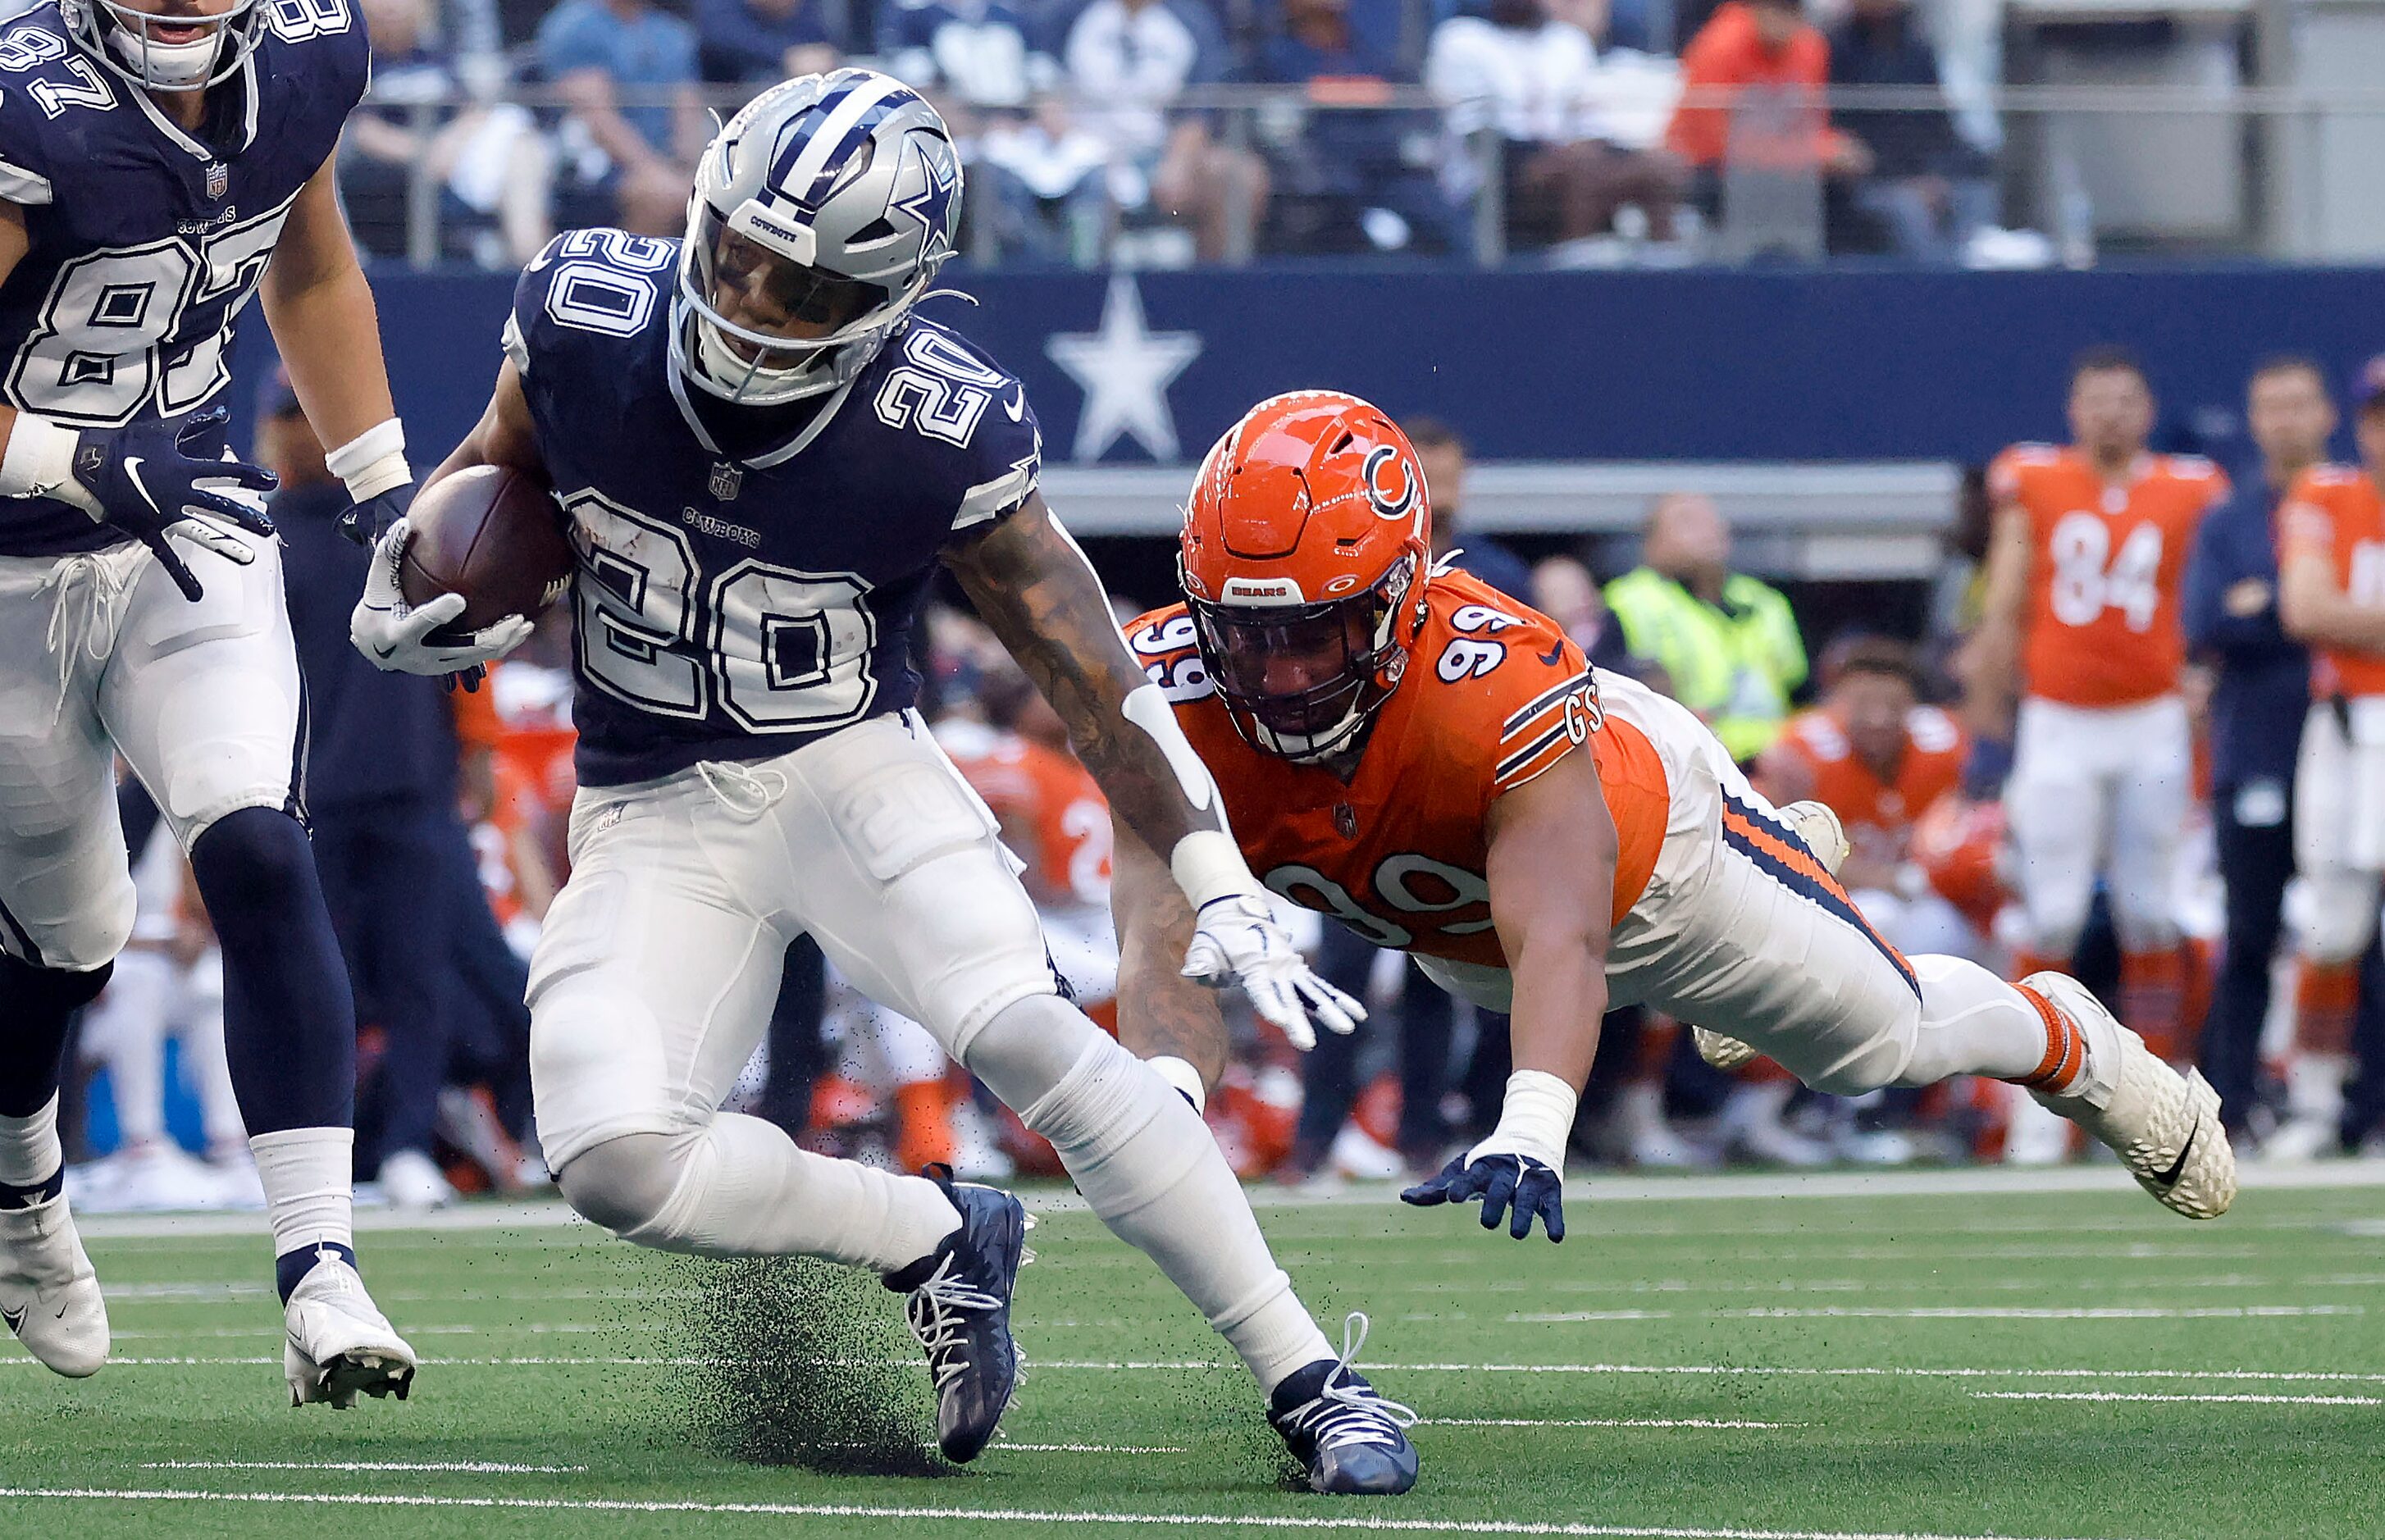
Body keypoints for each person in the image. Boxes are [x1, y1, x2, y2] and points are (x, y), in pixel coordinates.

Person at [351, 71, 1416, 1492]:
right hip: (652, 797)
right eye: (732, 252)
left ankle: (1310, 1378)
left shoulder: (937, 422)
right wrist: (414, 576)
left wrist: (1214, 870)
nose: (746, 298)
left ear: (887, 294)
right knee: (611, 1156)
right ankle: (929, 1234)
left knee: (1026, 1034)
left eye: (798, 287)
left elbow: (1091, 677)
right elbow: (492, 476)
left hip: (848, 769)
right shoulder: (584, 316)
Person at [1113, 391, 2235, 1256]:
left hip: (1662, 870)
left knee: (1878, 1046)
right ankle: (1797, 863)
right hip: (1473, 942)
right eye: (1248, 632)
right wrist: (1166, 1092)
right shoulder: (1165, 692)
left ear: (1403, 598)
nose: (1282, 671)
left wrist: (1534, 1119)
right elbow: (1159, 931)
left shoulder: (1485, 688)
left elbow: (1566, 936)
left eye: (1322, 630)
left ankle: (2078, 1044)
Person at [0, 0, 422, 1402]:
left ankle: (320, 1264)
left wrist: (380, 490)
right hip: (12, 570)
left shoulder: (308, 54)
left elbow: (310, 267)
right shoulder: (23, 100)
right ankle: (23, 1189)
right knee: (66, 944)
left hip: (190, 523)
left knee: (251, 835)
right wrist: (78, 461)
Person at [266, 376, 513, 1212]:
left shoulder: (398, 519)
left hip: (412, 784)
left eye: (308, 415)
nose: (298, 437)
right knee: (319, 985)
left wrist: (475, 748)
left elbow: (461, 625)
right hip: (310, 795)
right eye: (285, 419)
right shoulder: (259, 538)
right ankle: (321, 1152)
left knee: (421, 978)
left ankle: (410, 1143)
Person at [1971, 349, 2229, 1068]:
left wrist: (2203, 673)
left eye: (2125, 401)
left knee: (2151, 908)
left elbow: (2202, 596)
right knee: (2051, 909)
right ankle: (2032, 1081)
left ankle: (2160, 1070)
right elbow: (2008, 590)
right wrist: (1989, 686)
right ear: (2073, 411)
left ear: (2148, 412)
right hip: (2060, 716)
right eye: (2097, 401)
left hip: (2153, 718)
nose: (2111, 415)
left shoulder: (2192, 487)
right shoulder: (2035, 478)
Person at [2181, 357, 2333, 1137]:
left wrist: (2268, 600)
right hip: (2259, 746)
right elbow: (2208, 622)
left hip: (2349, 742)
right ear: (2252, 418)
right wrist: (2304, 606)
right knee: (2249, 932)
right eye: (2270, 407)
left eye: (2299, 404)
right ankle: (2227, 1104)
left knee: (2353, 931)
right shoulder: (2228, 516)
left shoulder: (2357, 504)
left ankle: (2353, 1104)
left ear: (2326, 414)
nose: (2286, 421)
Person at [2271, 355, 2385, 1158]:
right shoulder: (2326, 492)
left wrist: (2355, 620)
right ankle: (2311, 1100)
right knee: (2331, 924)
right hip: (2343, 725)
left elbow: (2329, 610)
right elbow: (2304, 608)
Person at [1603, 491, 1808, 764]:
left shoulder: (1765, 602)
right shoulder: (1628, 602)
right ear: (1652, 545)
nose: (1706, 530)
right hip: (1687, 761)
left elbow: (1801, 692)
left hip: (1774, 760)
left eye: (1711, 520)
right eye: (1686, 522)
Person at [1060, 0, 1268, 262]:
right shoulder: (1071, 11)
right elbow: (1043, 86)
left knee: (1240, 176)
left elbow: (1200, 109)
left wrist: (1178, 162)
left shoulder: (1191, 19)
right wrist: (1080, 151)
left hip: (1155, 154)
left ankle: (1215, 292)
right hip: (1081, 153)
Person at [1823, 0, 1994, 263]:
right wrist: (1905, 181)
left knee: (1975, 190)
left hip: (1924, 175)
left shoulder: (1919, 51)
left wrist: (1938, 176)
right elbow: (1845, 137)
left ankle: (1971, 278)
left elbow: (1940, 129)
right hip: (1869, 183)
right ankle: (1935, 288)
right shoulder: (1833, 49)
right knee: (1907, 208)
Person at [1666, 0, 1869, 202]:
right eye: (1774, 7)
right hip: (1708, 170)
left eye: (1790, 9)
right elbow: (1712, 142)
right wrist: (1812, 153)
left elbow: (1812, 124)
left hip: (1785, 171)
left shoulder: (1810, 47)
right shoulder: (1720, 44)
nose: (1779, 19)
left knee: (1843, 191)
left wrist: (1832, 148)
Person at [536, 0, 708, 236]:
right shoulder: (574, 25)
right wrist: (653, 171)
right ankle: (626, 271)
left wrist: (691, 170)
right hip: (593, 165)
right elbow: (598, 119)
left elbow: (687, 109)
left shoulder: (674, 33)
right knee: (660, 197)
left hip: (664, 162)